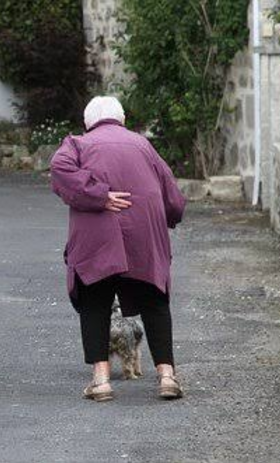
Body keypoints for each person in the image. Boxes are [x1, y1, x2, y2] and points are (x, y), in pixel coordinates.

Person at [50, 96, 187, 401]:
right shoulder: (143, 145)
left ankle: (100, 381)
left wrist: (98, 195)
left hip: (96, 235)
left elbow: (59, 169)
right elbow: (172, 196)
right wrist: (170, 216)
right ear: (122, 119)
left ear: (88, 122)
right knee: (154, 300)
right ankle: (167, 376)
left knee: (95, 301)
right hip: (144, 233)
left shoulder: (77, 144)